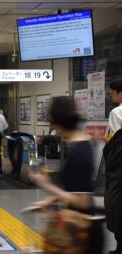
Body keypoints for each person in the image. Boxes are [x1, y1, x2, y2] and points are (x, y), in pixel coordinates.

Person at [30, 96, 103, 254]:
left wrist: (47, 186)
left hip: (81, 233)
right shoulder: (81, 143)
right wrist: (52, 200)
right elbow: (76, 188)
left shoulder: (79, 151)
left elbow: (83, 201)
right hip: (77, 227)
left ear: (57, 122)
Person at [106, 79, 122, 254]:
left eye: (112, 92)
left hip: (119, 165)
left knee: (116, 203)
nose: (110, 95)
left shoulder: (116, 112)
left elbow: (115, 141)